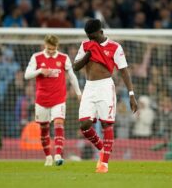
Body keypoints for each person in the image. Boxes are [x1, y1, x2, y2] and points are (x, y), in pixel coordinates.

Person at [73, 19, 138, 173]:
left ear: (100, 32)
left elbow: (123, 71)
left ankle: (104, 164)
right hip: (89, 87)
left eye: (92, 36)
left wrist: (131, 94)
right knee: (84, 125)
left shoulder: (115, 47)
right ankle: (103, 148)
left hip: (105, 87)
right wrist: (89, 54)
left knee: (106, 125)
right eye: (88, 36)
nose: (90, 39)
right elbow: (75, 66)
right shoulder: (85, 45)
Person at [24, 35, 81, 166]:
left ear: (57, 46)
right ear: (45, 45)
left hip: (59, 98)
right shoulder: (36, 57)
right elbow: (27, 75)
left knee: (59, 123)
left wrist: (78, 93)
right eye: (49, 48)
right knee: (44, 129)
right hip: (42, 99)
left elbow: (72, 76)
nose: (51, 51)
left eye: (53, 48)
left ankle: (58, 155)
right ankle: (48, 156)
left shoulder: (63, 58)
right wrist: (39, 71)